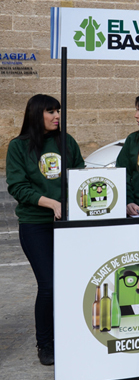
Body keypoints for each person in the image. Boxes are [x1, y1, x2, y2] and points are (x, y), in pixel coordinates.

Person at [6, 94, 84, 366]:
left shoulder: (67, 142)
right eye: (50, 112)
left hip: (68, 225)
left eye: (58, 111)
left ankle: (71, 334)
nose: (56, 116)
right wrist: (52, 203)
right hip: (35, 225)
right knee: (49, 285)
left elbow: (80, 176)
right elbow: (17, 186)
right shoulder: (19, 147)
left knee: (70, 284)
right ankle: (46, 344)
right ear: (36, 114)